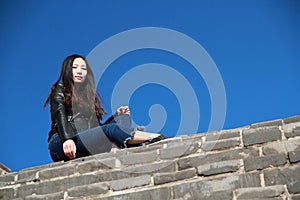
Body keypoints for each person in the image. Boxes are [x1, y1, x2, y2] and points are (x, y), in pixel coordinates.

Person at [44, 54, 166, 162]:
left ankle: (115, 148)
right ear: (66, 70)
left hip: (85, 140)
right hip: (62, 142)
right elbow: (60, 115)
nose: (79, 71)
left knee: (122, 119)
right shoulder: (60, 90)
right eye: (74, 68)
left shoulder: (88, 97)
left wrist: (116, 115)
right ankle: (154, 137)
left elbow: (97, 128)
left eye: (83, 68)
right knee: (111, 129)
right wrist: (67, 139)